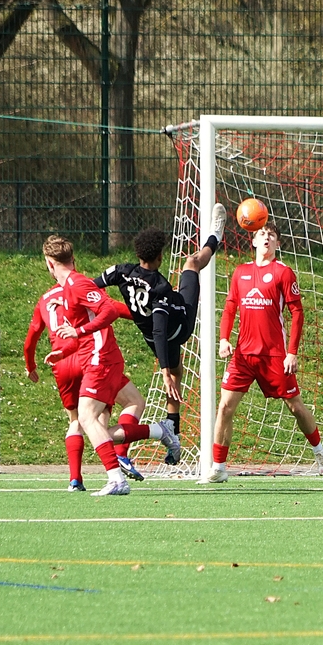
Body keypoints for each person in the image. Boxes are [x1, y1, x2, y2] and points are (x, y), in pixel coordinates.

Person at [43, 235, 181, 497]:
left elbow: (109, 310)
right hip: (96, 357)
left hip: (100, 359)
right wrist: (64, 351)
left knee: (87, 417)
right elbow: (85, 330)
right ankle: (159, 430)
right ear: (72, 258)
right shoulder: (69, 289)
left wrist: (78, 331)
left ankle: (116, 478)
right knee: (116, 413)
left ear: (49, 263)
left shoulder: (77, 284)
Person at [94, 203, 226, 465]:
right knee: (192, 263)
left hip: (153, 340)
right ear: (159, 259)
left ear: (138, 253)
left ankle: (173, 432)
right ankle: (216, 235)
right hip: (179, 326)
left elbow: (92, 285)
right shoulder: (160, 288)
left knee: (177, 374)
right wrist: (163, 371)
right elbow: (159, 327)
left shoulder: (121, 271)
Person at [204, 223, 323, 483]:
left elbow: (297, 313)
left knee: (295, 407)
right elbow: (230, 308)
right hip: (243, 356)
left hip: (274, 355)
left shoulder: (283, 272)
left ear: (277, 244)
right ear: (253, 242)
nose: (266, 237)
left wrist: (291, 353)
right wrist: (224, 339)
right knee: (225, 407)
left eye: (271, 235)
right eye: (261, 234)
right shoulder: (241, 272)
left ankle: (319, 452)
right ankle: (218, 467)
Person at [25, 284, 142, 491]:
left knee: (76, 420)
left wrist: (30, 365)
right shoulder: (83, 289)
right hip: (89, 356)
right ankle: (121, 455)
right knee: (121, 406)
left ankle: (75, 479)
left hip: (62, 362)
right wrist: (146, 317)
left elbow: (32, 334)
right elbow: (113, 308)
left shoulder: (44, 299)